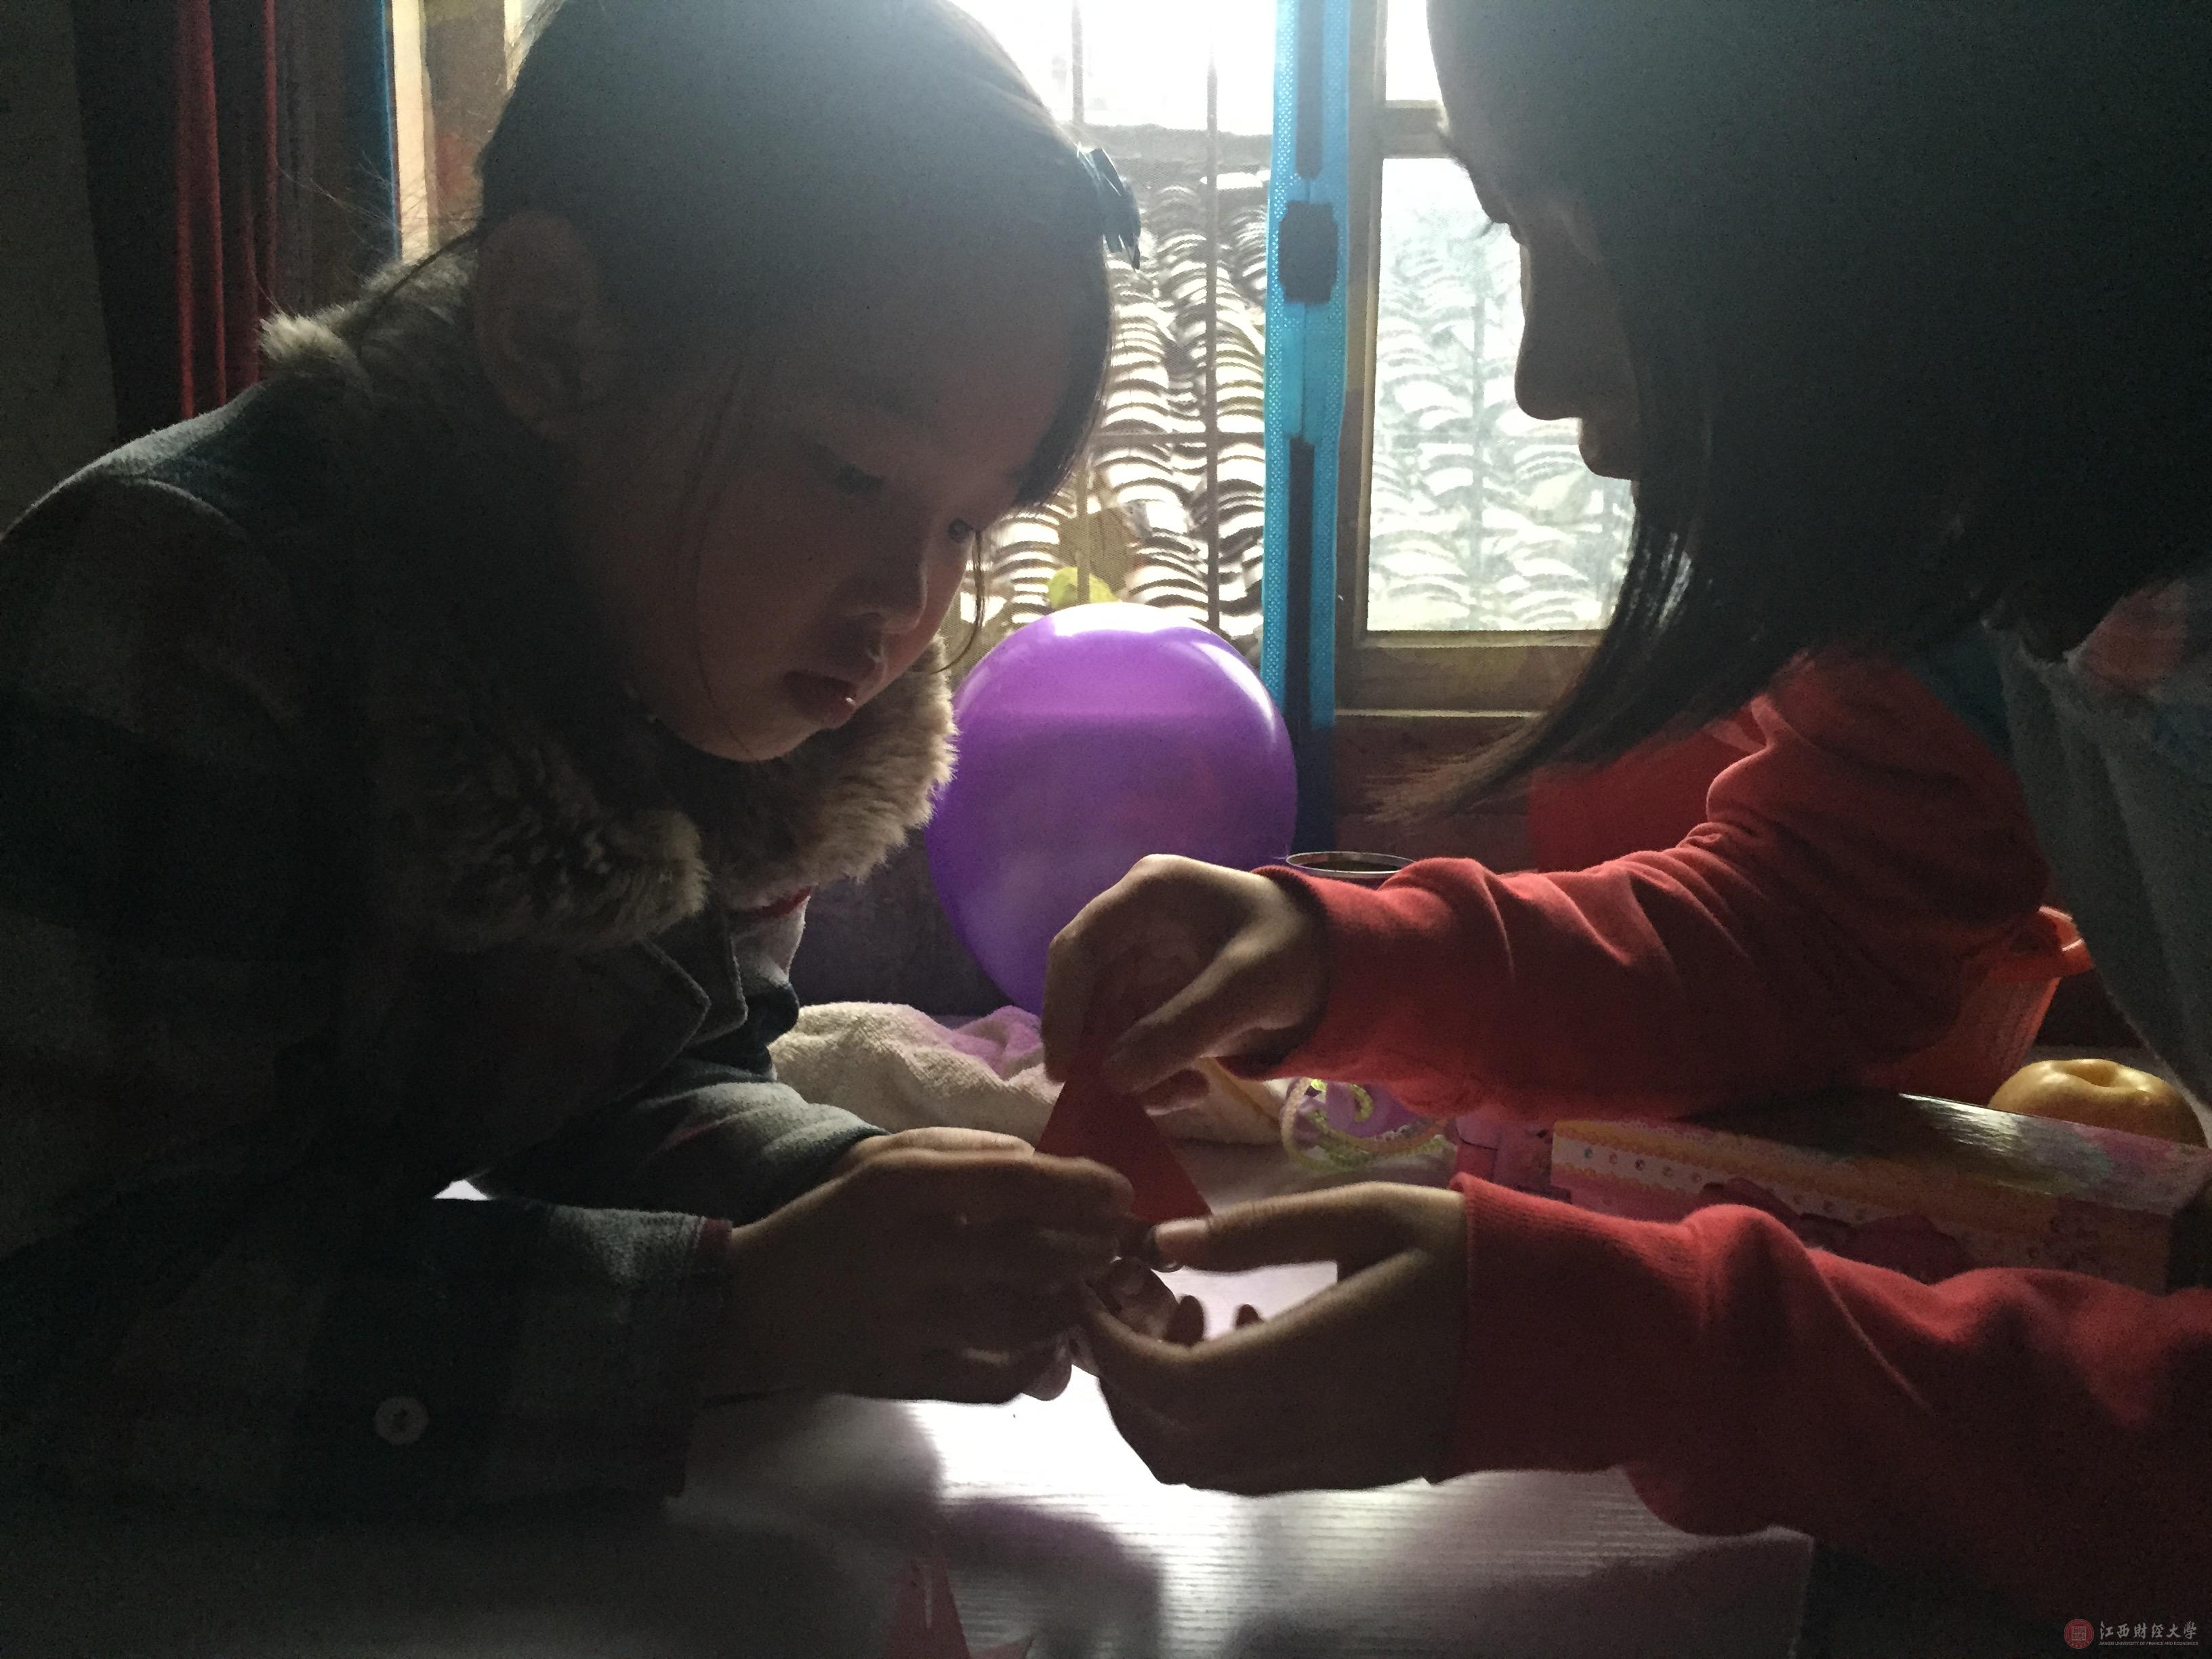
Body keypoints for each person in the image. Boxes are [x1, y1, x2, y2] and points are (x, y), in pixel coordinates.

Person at [1046, 0, 2211, 1610]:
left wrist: (1638, 1349)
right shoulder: (1980, 548)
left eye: (1589, 228)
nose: (1540, 378)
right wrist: (1347, 960)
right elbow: (1812, 923)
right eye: (1507, 227)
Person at [0, 0, 1142, 1511]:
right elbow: (79, 1320)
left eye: (964, 525)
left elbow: (638, 1089)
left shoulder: (724, 676)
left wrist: (840, 1191)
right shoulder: (179, 616)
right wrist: (729, 1313)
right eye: (851, 470)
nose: (903, 607)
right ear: (551, 337)